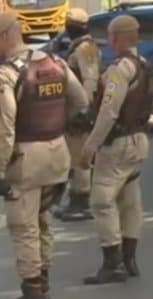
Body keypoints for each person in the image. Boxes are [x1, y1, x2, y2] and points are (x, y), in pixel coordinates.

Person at [0, 12, 89, 299]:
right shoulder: (55, 63)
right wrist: (58, 128)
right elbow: (81, 103)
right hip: (57, 155)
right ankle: (41, 290)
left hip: (26, 160)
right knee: (43, 223)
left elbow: (4, 130)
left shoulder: (5, 75)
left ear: (6, 36)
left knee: (24, 228)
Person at [79, 14, 153, 285]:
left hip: (118, 143)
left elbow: (108, 112)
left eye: (111, 36)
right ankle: (130, 258)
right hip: (139, 140)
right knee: (130, 199)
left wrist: (90, 146)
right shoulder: (146, 66)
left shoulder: (118, 70)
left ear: (117, 38)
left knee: (102, 201)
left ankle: (112, 263)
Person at [53, 7, 101, 222]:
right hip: (71, 111)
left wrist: (84, 110)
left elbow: (90, 78)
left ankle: (81, 200)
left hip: (80, 112)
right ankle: (76, 198)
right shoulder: (76, 47)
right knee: (73, 157)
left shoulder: (86, 49)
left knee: (80, 157)